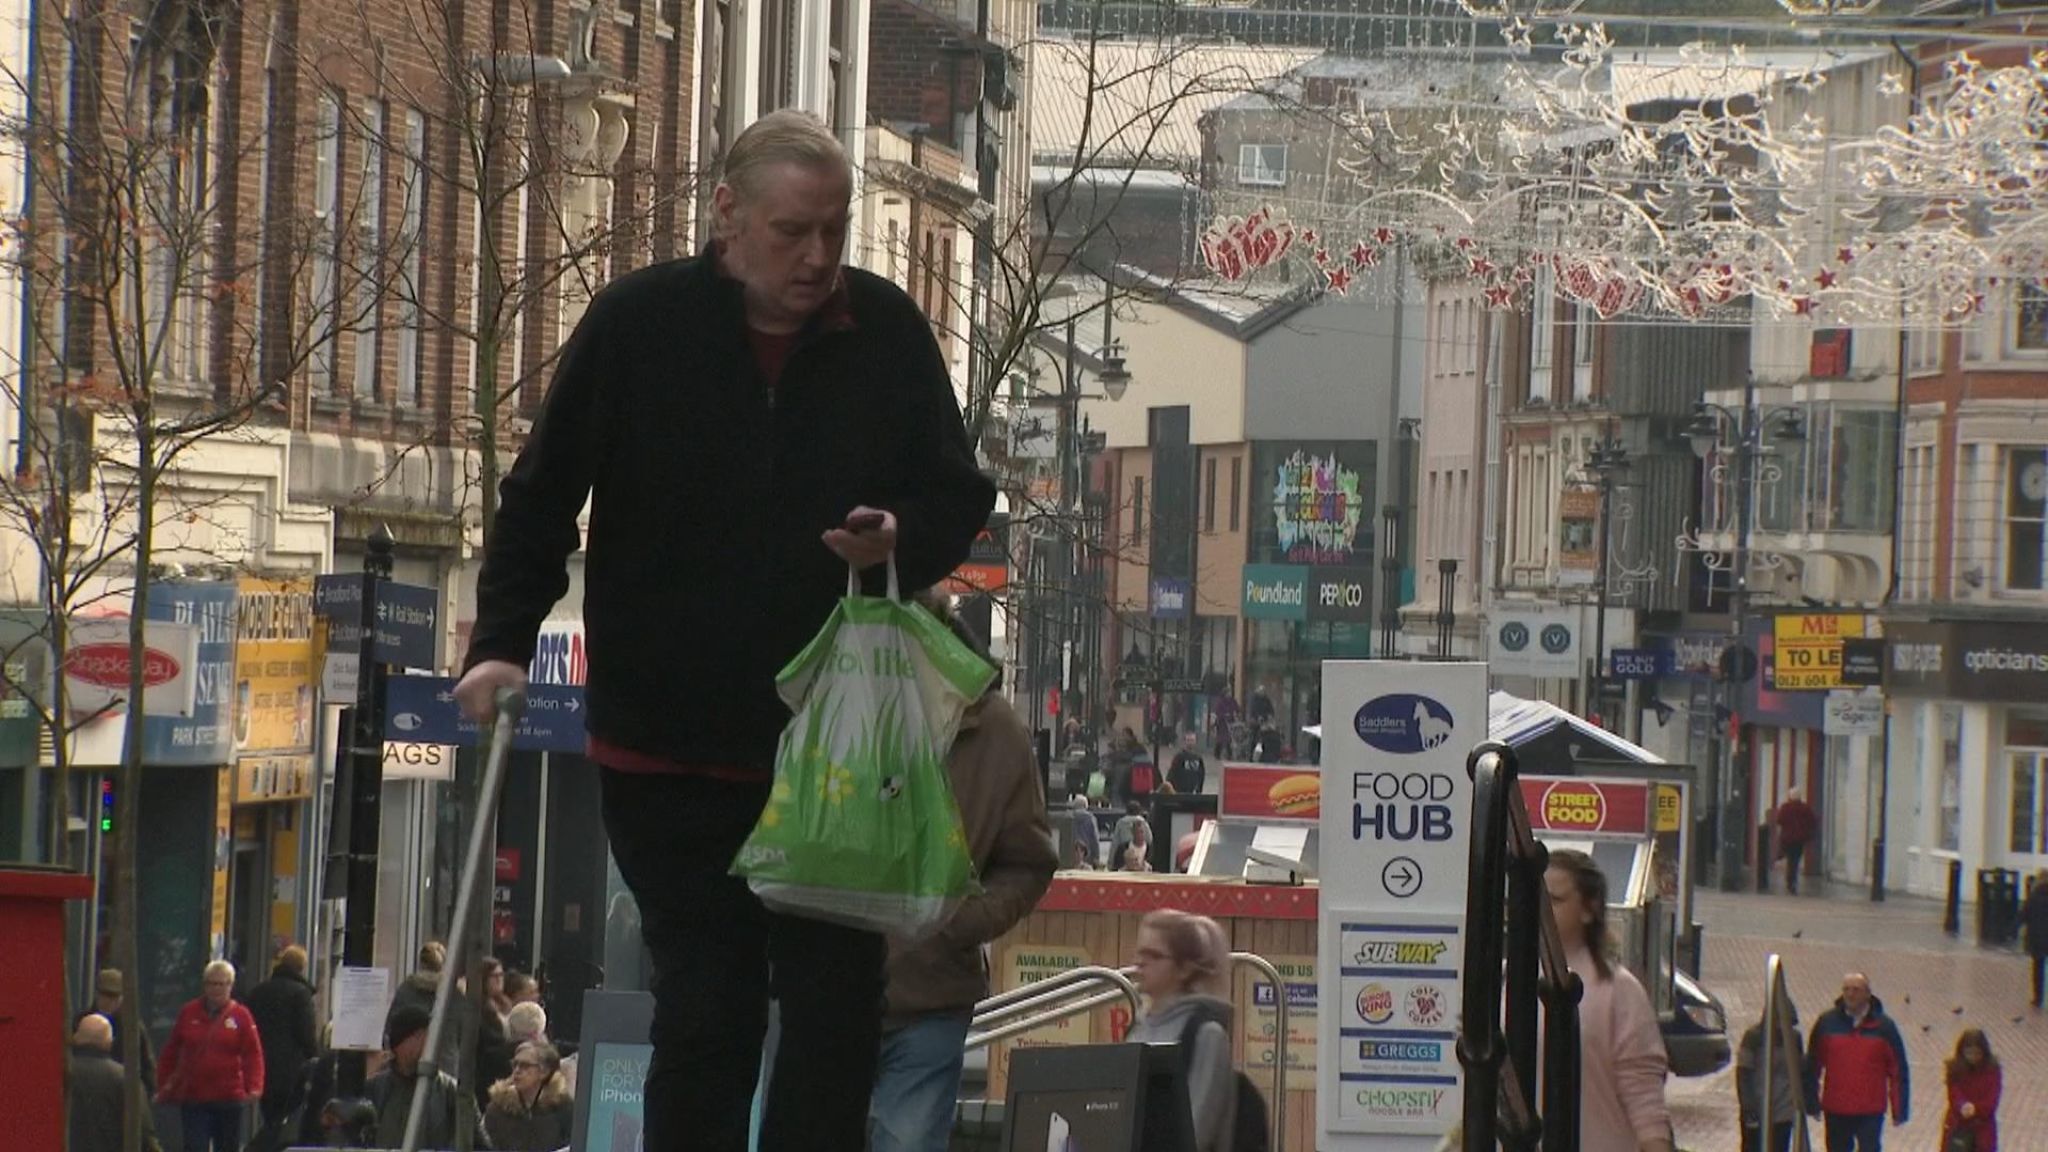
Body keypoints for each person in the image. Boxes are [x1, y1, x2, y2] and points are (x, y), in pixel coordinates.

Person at [452, 106, 994, 1152]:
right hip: (669, 741)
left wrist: (899, 538)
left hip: (828, 745)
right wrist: (501, 641)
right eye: (792, 231)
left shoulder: (881, 333)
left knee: (835, 1017)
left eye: (833, 230)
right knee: (708, 1009)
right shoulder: (638, 326)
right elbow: (541, 492)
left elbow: (954, 490)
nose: (817, 257)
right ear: (726, 217)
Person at [869, 595, 1057, 1152]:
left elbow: (1027, 861)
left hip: (928, 995)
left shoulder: (995, 730)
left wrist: (958, 920)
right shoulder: (843, 704)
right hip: (821, 985)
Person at [1545, 849, 1672, 1152]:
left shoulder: (1620, 991)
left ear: (1589, 909)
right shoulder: (1505, 983)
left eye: (1555, 900)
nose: (1540, 909)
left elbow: (1643, 1094)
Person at [1126, 910, 1236, 1152]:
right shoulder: (1138, 1028)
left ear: (1184, 969)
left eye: (1154, 955)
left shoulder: (1206, 1034)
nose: (1140, 963)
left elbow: (1196, 1131)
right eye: (1139, 953)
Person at [157, 959, 265, 1152]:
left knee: (226, 1146)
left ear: (231, 986)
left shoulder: (241, 1015)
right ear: (205, 985)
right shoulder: (189, 1012)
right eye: (212, 983)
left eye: (222, 984)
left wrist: (254, 1086)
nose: (217, 988)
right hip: (194, 1095)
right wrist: (163, 1082)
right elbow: (172, 1050)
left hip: (229, 1097)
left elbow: (253, 1054)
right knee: (195, 1146)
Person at [1804, 972, 1908, 1152]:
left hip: (1870, 1110)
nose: (1850, 995)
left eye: (1856, 990)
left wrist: (1900, 1109)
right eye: (1846, 990)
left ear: (1868, 993)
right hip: (1836, 1108)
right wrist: (1811, 1101)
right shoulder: (1826, 1023)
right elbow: (1813, 1065)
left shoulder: (1885, 1027)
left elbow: (1898, 1070)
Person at [364, 1004, 470, 1150]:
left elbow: (476, 1142)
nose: (428, 1043)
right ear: (402, 1043)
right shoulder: (375, 1090)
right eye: (419, 1036)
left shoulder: (449, 1091)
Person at [244, 944, 320, 1142]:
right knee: (284, 1122)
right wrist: (316, 1058)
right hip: (290, 1070)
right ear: (302, 967)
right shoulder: (300, 994)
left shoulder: (258, 992)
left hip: (261, 1067)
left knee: (270, 1117)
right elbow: (306, 1035)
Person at [70, 1013, 151, 1152]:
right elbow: (142, 1130)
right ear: (109, 1042)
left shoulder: (62, 1074)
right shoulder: (125, 1078)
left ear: (76, 1038)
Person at [1736, 1002, 1808, 1152]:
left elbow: (1800, 1071)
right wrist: (1748, 1106)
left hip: (1784, 1110)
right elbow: (1743, 1073)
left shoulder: (1794, 1038)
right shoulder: (1753, 1037)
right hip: (1758, 1108)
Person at [485, 1040, 576, 1151]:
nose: (517, 1071)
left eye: (524, 1066)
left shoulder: (563, 1106)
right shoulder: (497, 1109)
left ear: (544, 1072)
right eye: (515, 1064)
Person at [83, 967, 156, 1095]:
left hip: (120, 1094)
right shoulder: (82, 1022)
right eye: (104, 995)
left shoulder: (132, 1028)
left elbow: (147, 1066)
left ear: (122, 998)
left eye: (113, 997)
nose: (108, 1001)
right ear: (97, 994)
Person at [1940, 1029, 2000, 1152]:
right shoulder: (1954, 1070)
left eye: (1977, 1053)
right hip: (1957, 1128)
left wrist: (1975, 1109)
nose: (1973, 1057)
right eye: (1969, 1053)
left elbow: (1992, 1099)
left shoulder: (1992, 1071)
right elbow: (1953, 1094)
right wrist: (1962, 1106)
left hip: (1983, 1131)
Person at [1775, 790, 1818, 894]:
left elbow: (1779, 820)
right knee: (1795, 859)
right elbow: (1812, 821)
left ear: (1790, 796)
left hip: (1787, 838)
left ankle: (1790, 881)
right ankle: (1792, 880)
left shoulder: (1786, 807)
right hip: (1800, 839)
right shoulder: (1805, 808)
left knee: (1790, 859)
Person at [2022, 870, 2048, 1009]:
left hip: (2036, 938)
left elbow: (2024, 915)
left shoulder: (2033, 897)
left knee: (2038, 969)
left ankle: (2038, 998)